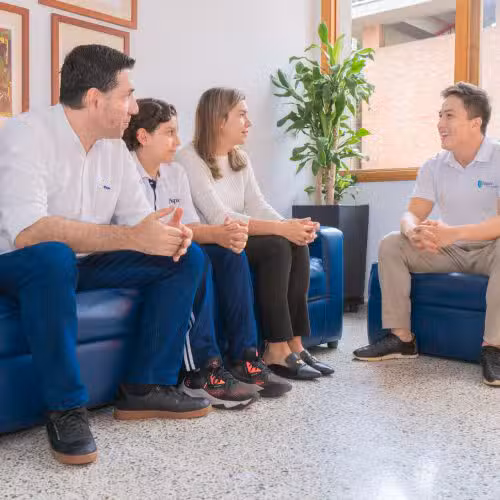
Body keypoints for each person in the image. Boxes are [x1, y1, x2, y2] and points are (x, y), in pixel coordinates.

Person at [0, 45, 212, 466]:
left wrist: (168, 235)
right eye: (127, 96)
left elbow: (139, 222)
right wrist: (134, 236)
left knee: (186, 257)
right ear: (95, 99)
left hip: (82, 262)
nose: (134, 107)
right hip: (19, 262)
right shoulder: (25, 134)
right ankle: (66, 409)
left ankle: (146, 386)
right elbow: (29, 232)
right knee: (53, 256)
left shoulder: (115, 149)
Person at [123, 98, 292, 407]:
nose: (177, 141)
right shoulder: (124, 172)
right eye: (169, 133)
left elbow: (190, 225)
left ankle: (245, 358)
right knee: (192, 260)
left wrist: (220, 235)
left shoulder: (174, 173)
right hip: (143, 253)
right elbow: (145, 233)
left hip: (176, 244)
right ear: (143, 137)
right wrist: (206, 234)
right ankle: (202, 372)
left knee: (230, 253)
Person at [176, 87, 334, 380]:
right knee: (277, 245)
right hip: (217, 241)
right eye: (242, 115)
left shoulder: (240, 158)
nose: (248, 123)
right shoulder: (188, 158)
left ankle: (295, 345)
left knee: (295, 243)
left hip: (242, 235)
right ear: (219, 120)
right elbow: (220, 217)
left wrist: (292, 227)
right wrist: (281, 229)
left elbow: (258, 205)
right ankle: (275, 350)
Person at [353, 82, 500, 387]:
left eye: (449, 115)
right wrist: (413, 231)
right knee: (392, 244)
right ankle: (401, 339)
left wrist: (453, 233)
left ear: (476, 123)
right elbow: (412, 213)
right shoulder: (435, 165)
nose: (440, 123)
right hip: (447, 249)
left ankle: (494, 348)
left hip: (490, 248)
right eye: (439, 115)